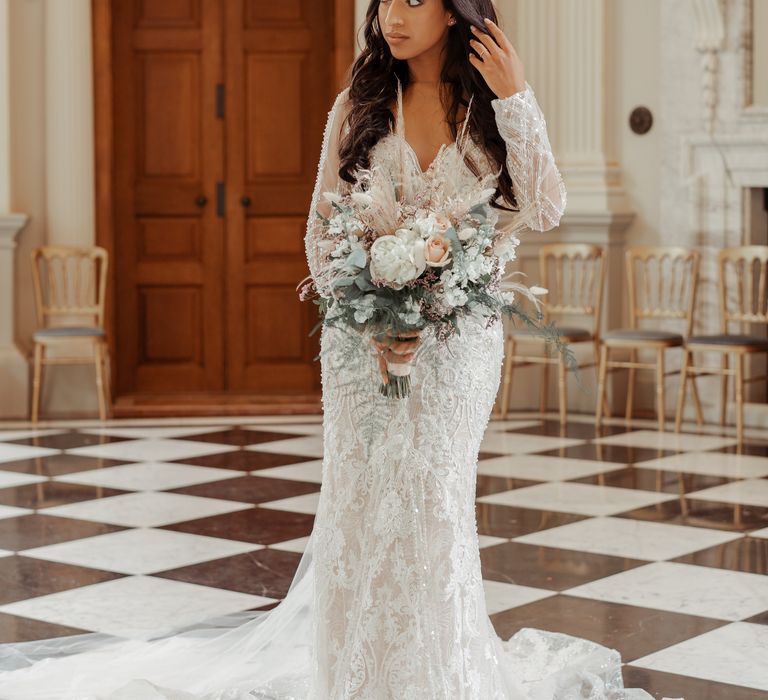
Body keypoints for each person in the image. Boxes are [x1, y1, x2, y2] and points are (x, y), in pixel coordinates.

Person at [0, 1, 674, 698]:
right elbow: (321, 230)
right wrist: (367, 314)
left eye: (414, 0)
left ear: (454, 12)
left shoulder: (490, 110)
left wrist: (518, 98)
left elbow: (547, 207)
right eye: (385, 0)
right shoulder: (360, 102)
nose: (392, 16)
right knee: (358, 508)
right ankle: (353, 679)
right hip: (360, 344)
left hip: (456, 348)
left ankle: (435, 676)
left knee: (432, 505)